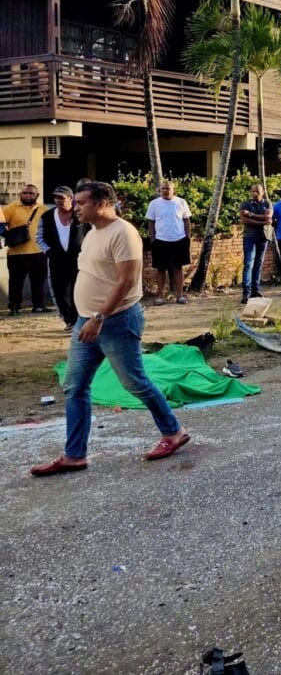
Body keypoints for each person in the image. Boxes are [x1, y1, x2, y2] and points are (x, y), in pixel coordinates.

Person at [29, 181, 189, 477]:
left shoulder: (124, 233)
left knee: (135, 382)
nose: (75, 207)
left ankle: (174, 432)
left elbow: (126, 281)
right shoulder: (91, 232)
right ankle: (74, 455)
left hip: (114, 321)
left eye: (81, 202)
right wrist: (87, 316)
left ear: (101, 203)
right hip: (86, 321)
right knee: (75, 386)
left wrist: (99, 317)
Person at [36, 185, 85, 330]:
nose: (57, 200)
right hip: (56, 259)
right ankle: (69, 321)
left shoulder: (80, 214)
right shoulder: (47, 216)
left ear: (70, 198)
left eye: (61, 197)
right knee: (59, 291)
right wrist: (48, 251)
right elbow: (39, 237)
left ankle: (78, 320)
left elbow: (91, 233)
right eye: (55, 197)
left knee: (79, 289)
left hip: (79, 258)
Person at [2, 183, 49, 315]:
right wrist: (9, 235)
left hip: (39, 252)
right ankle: (15, 307)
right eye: (25, 193)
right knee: (16, 282)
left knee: (38, 281)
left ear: (37, 195)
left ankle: (39, 306)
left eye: (31, 193)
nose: (27, 195)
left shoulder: (43, 209)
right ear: (20, 194)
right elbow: (0, 225)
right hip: (17, 253)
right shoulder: (11, 208)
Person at [145, 180, 191, 306]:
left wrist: (187, 237)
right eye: (163, 188)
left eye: (167, 189)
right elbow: (151, 222)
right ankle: (160, 296)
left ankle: (180, 295)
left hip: (179, 240)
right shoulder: (154, 204)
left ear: (173, 190)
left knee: (178, 268)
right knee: (160, 269)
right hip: (160, 241)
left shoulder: (181, 202)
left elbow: (186, 221)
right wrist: (153, 239)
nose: (165, 191)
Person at [238, 183, 271, 304]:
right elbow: (244, 220)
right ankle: (246, 294)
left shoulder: (267, 203)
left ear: (262, 192)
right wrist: (261, 221)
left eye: (257, 191)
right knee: (248, 264)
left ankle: (255, 291)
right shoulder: (245, 204)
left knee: (258, 264)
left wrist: (251, 215)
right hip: (249, 238)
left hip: (263, 237)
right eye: (252, 191)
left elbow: (268, 217)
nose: (254, 193)